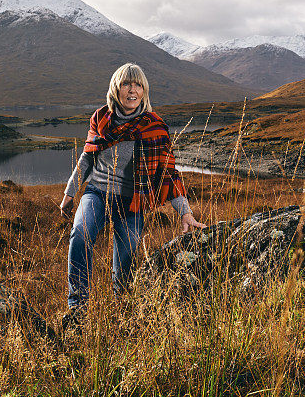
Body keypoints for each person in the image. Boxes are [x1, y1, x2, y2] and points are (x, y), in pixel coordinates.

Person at [59, 62, 205, 315]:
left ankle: (121, 311)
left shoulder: (155, 126)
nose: (132, 89)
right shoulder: (101, 118)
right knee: (80, 235)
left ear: (144, 90)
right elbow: (87, 158)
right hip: (97, 193)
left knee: (125, 264)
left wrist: (185, 212)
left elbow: (168, 172)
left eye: (138, 84)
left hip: (133, 201)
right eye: (126, 83)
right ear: (116, 88)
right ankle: (77, 309)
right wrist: (70, 193)